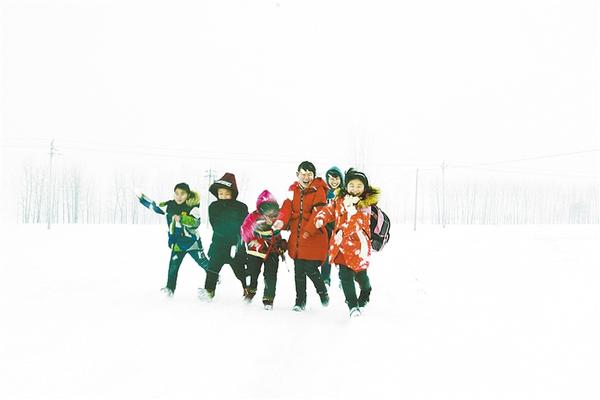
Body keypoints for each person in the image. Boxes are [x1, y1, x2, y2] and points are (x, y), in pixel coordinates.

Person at [304, 168, 380, 317]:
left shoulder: (365, 204)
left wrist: (342, 231)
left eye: (359, 186)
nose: (355, 189)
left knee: (361, 277)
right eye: (352, 185)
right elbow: (329, 210)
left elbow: (358, 222)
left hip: (359, 247)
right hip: (341, 247)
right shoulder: (340, 200)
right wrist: (320, 218)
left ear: (364, 187)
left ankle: (366, 291)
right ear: (346, 186)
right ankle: (353, 306)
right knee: (345, 276)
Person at [272, 161, 330, 311]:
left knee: (310, 268)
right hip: (297, 237)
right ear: (298, 174)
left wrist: (309, 230)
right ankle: (300, 302)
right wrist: (280, 221)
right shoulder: (293, 190)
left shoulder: (319, 190)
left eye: (309, 174)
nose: (306, 177)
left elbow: (319, 212)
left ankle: (322, 292)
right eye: (303, 174)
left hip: (314, 236)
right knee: (298, 271)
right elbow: (286, 208)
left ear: (314, 176)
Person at [137, 183, 209, 297]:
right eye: (176, 193)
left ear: (188, 195)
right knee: (173, 267)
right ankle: (170, 288)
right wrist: (142, 199)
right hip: (177, 243)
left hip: (192, 243)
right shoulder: (169, 205)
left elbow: (196, 223)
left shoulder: (193, 207)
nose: (179, 196)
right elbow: (156, 207)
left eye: (182, 194)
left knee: (204, 263)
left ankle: (214, 277)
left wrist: (182, 218)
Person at [197, 173, 249, 301]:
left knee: (240, 270)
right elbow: (215, 224)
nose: (223, 196)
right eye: (221, 194)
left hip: (235, 245)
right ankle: (209, 291)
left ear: (233, 193)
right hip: (218, 244)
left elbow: (245, 224)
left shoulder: (241, 207)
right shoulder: (213, 207)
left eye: (227, 194)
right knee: (212, 269)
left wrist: (237, 239)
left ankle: (247, 289)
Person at [240, 190, 287, 310]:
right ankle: (250, 291)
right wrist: (252, 237)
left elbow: (278, 233)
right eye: (266, 208)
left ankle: (268, 299)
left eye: (272, 208)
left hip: (272, 251)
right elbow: (245, 230)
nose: (269, 212)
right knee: (252, 272)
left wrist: (281, 244)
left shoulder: (277, 219)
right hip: (256, 251)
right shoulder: (253, 216)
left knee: (270, 275)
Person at [321, 166, 344, 286]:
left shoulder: (345, 192)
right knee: (326, 254)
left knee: (342, 254)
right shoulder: (325, 193)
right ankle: (325, 278)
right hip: (327, 228)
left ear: (341, 179)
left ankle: (343, 278)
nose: (334, 181)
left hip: (342, 228)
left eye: (336, 178)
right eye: (331, 179)